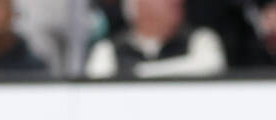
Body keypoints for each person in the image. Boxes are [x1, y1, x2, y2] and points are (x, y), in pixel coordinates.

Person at [84, 0, 225, 79]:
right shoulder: (108, 49)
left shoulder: (201, 39)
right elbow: (96, 88)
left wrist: (139, 72)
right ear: (139, 4)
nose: (177, 2)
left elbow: (210, 67)